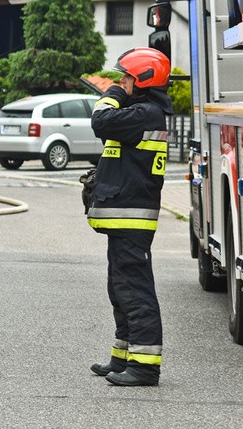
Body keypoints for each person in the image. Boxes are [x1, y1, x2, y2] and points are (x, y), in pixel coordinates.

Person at [87, 47, 173, 387]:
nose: (121, 82)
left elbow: (100, 121)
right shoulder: (141, 113)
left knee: (135, 291)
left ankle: (145, 366)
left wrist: (111, 94)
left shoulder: (145, 114)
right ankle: (123, 358)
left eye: (126, 78)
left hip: (131, 219)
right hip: (124, 218)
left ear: (142, 80)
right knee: (120, 289)